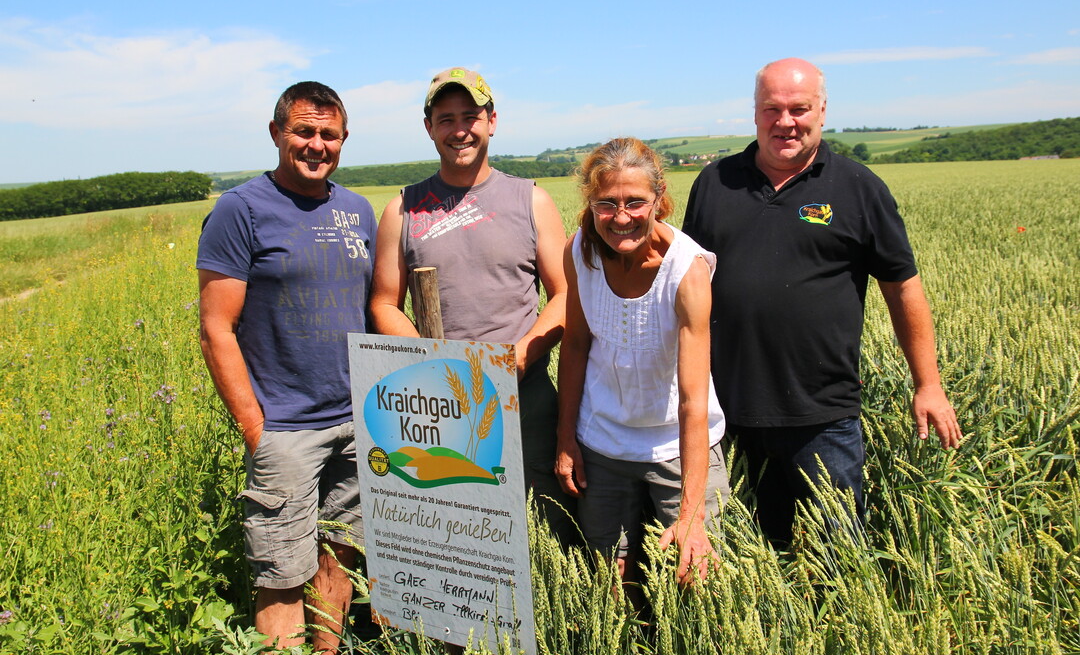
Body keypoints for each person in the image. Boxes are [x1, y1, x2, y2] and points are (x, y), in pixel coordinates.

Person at [682, 58, 963, 548]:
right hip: (726, 413)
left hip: (822, 414)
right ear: (755, 112)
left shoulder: (858, 188)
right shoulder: (715, 183)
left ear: (822, 111)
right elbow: (685, 284)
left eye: (799, 109)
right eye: (772, 109)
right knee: (745, 555)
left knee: (838, 554)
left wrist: (929, 384)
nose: (785, 122)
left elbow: (903, 288)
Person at [197, 81, 375, 652]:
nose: (316, 144)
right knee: (281, 575)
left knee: (339, 559)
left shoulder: (356, 210)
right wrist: (257, 430)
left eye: (329, 134)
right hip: (286, 430)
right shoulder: (241, 210)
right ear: (277, 133)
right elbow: (216, 328)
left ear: (343, 139)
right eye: (303, 131)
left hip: (357, 423)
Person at [369, 67, 579, 544]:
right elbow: (384, 304)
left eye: (470, 116)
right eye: (446, 119)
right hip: (438, 407)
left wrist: (520, 358)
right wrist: (434, 365)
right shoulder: (402, 209)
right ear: (429, 127)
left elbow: (565, 295)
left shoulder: (532, 201)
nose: (459, 129)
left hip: (526, 397)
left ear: (492, 121)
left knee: (546, 530)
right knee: (457, 535)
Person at [555, 138, 728, 586]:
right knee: (611, 579)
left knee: (695, 577)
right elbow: (575, 346)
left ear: (658, 198)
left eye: (635, 202)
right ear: (590, 203)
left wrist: (691, 514)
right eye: (606, 204)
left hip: (677, 446)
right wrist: (566, 437)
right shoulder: (580, 252)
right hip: (603, 442)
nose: (621, 217)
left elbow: (692, 400)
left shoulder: (686, 270)